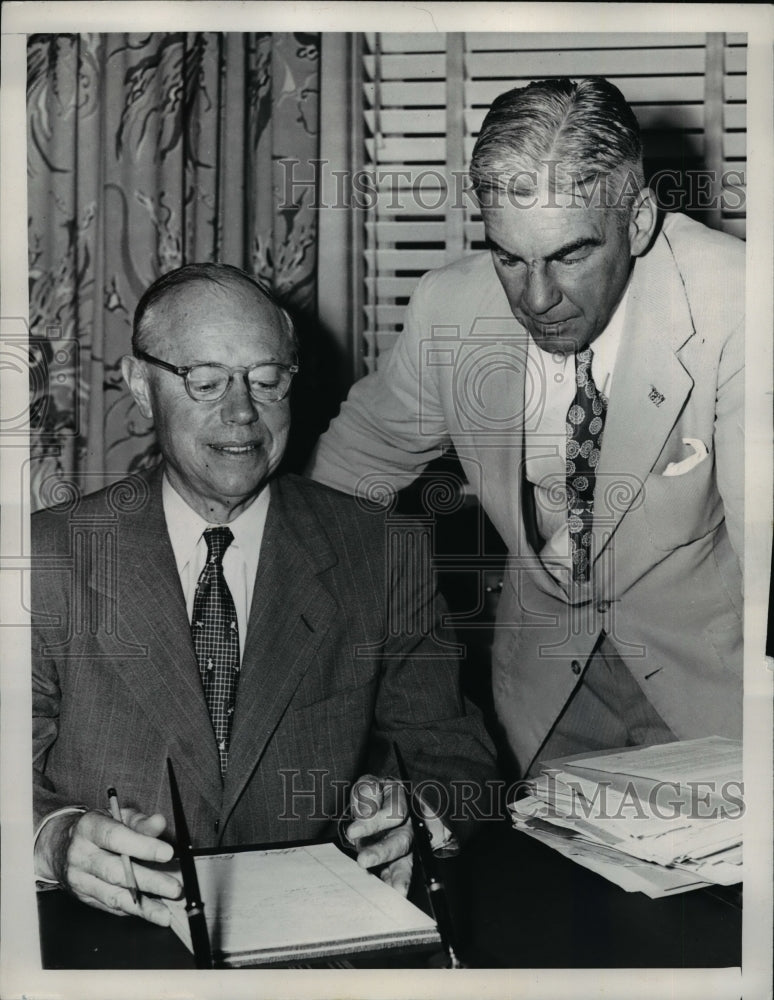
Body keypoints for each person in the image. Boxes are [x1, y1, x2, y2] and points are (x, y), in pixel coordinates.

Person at [31, 263, 496, 926]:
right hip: (108, 944)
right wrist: (56, 837)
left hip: (321, 943)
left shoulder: (382, 551)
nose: (242, 413)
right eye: (206, 380)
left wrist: (414, 818)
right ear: (141, 387)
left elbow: (453, 753)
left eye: (266, 379)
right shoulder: (47, 557)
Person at [308, 77, 744, 778]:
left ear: (636, 222)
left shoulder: (739, 302)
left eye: (570, 255)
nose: (536, 300)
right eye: (510, 257)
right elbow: (347, 476)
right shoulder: (450, 308)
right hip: (542, 701)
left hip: (718, 698)